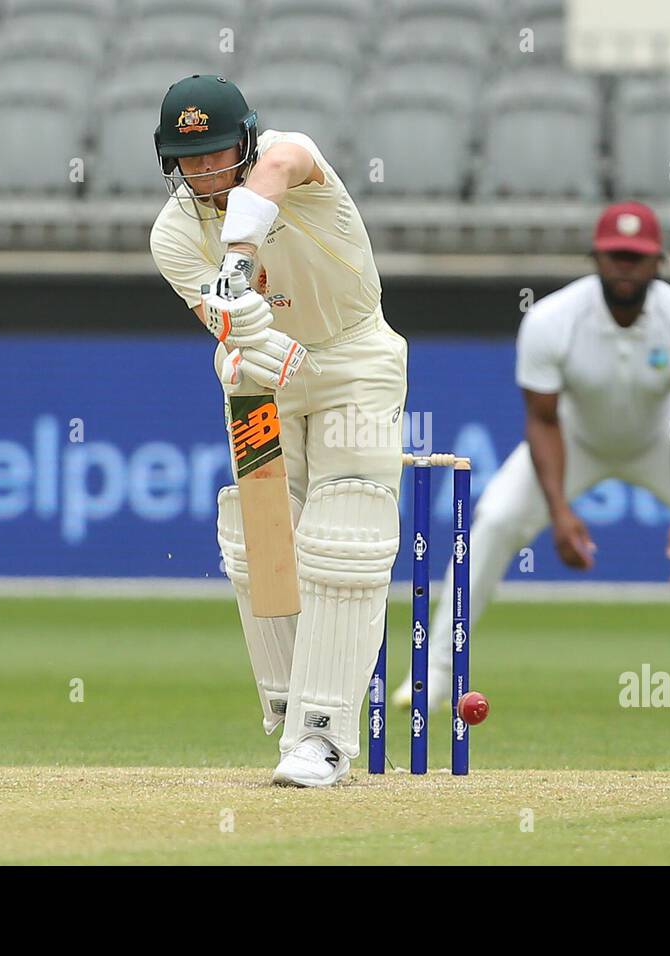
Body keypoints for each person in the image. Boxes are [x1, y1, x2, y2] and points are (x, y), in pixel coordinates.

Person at [393, 200, 670, 717]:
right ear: (596, 258)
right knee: (495, 519)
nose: (626, 266)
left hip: (662, 438)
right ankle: (433, 673)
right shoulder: (551, 319)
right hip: (573, 438)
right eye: (615, 255)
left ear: (659, 261)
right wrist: (560, 515)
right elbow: (543, 420)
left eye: (637, 256)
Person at [150, 75, 408, 786]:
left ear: (246, 140)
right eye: (188, 157)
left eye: (216, 153)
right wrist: (242, 328)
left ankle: (323, 739)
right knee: (257, 532)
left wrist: (237, 259)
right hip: (262, 372)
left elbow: (280, 167)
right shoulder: (172, 234)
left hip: (354, 355)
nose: (204, 169)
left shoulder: (292, 157)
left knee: (346, 534)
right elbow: (226, 323)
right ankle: (292, 707)